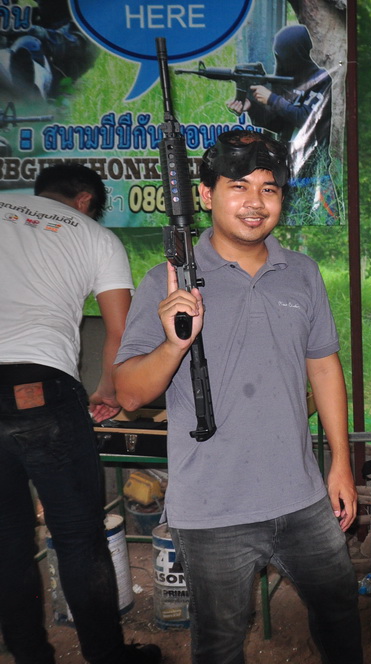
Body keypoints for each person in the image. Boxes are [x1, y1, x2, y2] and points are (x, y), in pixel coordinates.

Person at [112, 130, 362, 664]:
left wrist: (340, 463)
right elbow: (130, 393)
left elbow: (323, 367)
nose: (255, 202)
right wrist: (174, 344)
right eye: (239, 186)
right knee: (220, 643)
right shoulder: (166, 281)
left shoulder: (302, 273)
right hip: (212, 510)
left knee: (341, 619)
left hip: (302, 496)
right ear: (206, 195)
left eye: (269, 189)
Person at [0, 164, 160, 663]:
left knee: (5, 540)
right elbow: (120, 331)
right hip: (40, 388)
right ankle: (107, 657)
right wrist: (107, 390)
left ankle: (29, 656)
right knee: (78, 536)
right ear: (87, 199)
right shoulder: (95, 237)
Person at [226, 24, 332, 176]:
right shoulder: (283, 78)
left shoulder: (320, 79)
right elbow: (277, 125)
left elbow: (308, 119)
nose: (280, 61)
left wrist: (272, 99)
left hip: (313, 166)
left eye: (285, 56)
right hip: (286, 162)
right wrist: (253, 108)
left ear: (297, 53)